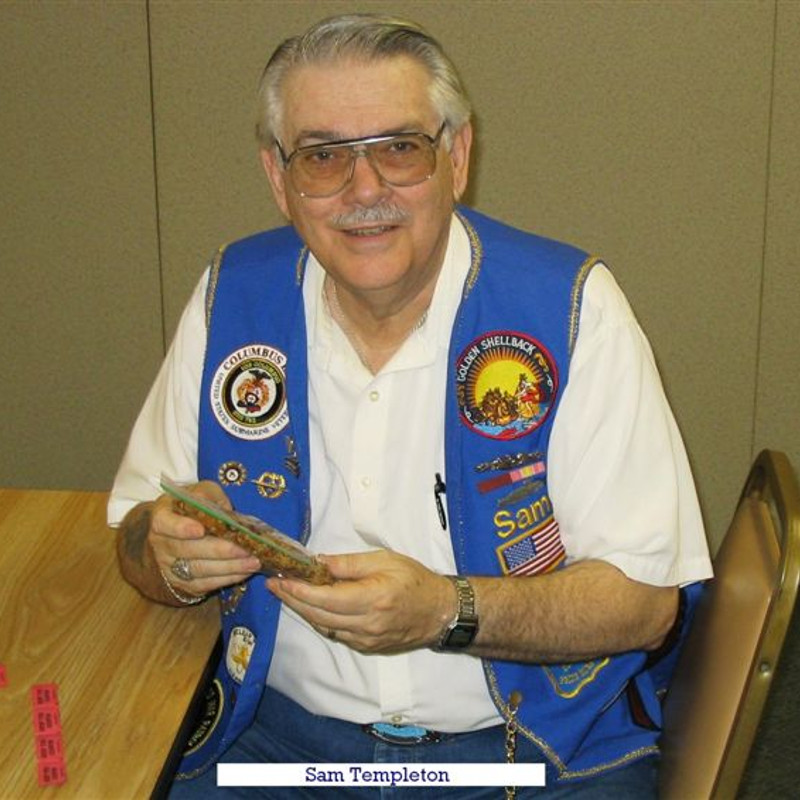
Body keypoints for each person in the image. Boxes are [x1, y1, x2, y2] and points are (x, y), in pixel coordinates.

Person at [109, 12, 712, 798]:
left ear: (456, 157)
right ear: (279, 179)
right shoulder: (234, 298)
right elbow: (134, 536)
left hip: (530, 751)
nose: (365, 191)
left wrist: (445, 611)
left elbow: (644, 606)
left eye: (399, 148)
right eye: (323, 156)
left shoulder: (570, 309)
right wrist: (169, 558)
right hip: (277, 744)